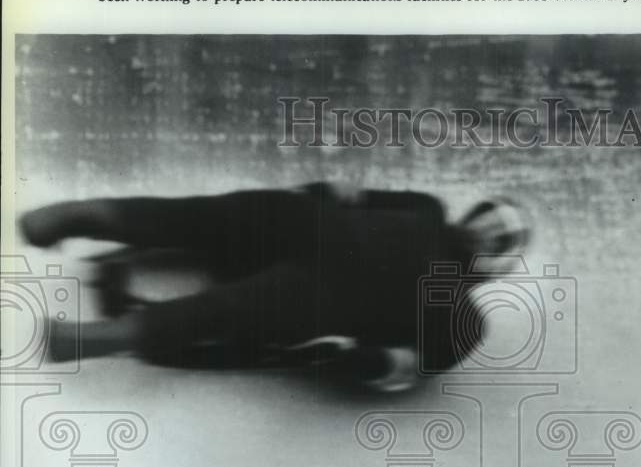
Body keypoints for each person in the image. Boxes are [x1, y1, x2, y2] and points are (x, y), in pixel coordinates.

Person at [19, 182, 531, 391]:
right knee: (208, 246)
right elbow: (347, 193)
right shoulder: (429, 214)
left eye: (493, 234)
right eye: (487, 220)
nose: (481, 231)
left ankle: (83, 310)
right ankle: (72, 239)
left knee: (213, 266)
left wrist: (356, 359)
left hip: (320, 266)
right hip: (316, 249)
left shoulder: (462, 313)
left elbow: (405, 369)